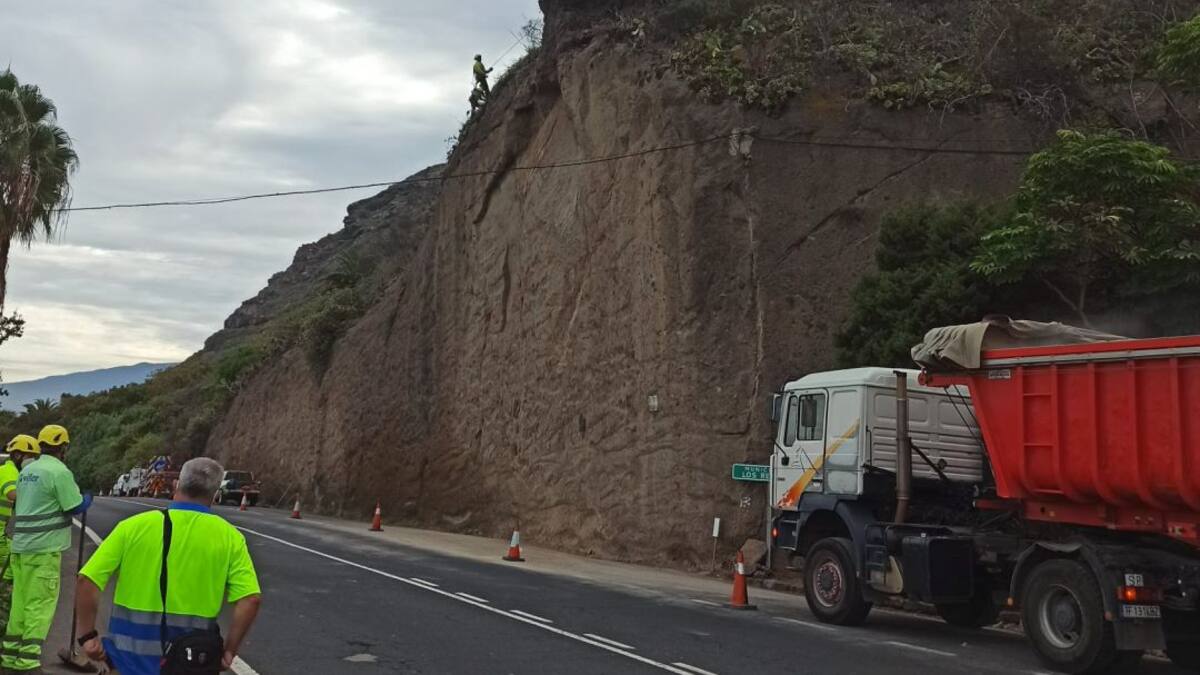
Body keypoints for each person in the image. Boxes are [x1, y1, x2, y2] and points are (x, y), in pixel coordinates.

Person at [75, 457, 261, 675]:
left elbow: (87, 580)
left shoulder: (133, 527)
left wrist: (88, 636)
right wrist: (229, 650)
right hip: (192, 662)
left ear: (177, 485)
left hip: (127, 661)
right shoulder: (230, 538)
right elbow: (250, 599)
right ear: (215, 494)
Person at [3, 424, 89, 673]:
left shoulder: (27, 471)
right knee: (39, 606)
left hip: (20, 548)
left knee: (20, 604)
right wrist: (87, 500)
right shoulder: (58, 471)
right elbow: (73, 506)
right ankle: (28, 663)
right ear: (63, 447)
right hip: (44, 551)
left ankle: (9, 659)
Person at [0, 435, 36, 640]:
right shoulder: (9, 471)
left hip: (2, 532)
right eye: (29, 457)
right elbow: (13, 494)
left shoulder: (12, 471)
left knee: (14, 564)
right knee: (15, 568)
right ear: (18, 455)